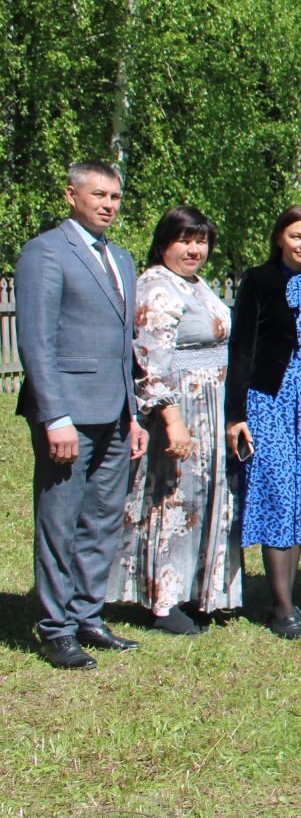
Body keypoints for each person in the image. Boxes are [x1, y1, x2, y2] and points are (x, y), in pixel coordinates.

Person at [16, 160, 146, 668]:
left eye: (115, 196)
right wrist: (55, 418)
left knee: (101, 520)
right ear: (71, 195)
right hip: (68, 416)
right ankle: (55, 628)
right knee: (60, 522)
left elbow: (123, 348)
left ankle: (88, 615)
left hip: (115, 414)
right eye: (99, 195)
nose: (109, 205)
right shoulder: (46, 252)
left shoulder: (123, 258)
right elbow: (36, 342)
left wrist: (133, 415)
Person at [109, 206, 240, 635]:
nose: (194, 249)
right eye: (185, 240)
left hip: (211, 403)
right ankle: (162, 601)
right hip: (178, 409)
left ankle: (199, 591)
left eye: (201, 241)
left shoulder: (195, 285)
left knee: (203, 498)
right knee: (172, 503)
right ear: (164, 241)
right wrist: (172, 420)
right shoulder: (156, 288)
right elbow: (150, 362)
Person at [227, 205, 301, 641]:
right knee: (276, 492)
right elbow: (242, 348)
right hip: (269, 399)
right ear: (279, 238)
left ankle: (289, 595)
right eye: (297, 236)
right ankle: (282, 608)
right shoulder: (259, 280)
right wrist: (236, 415)